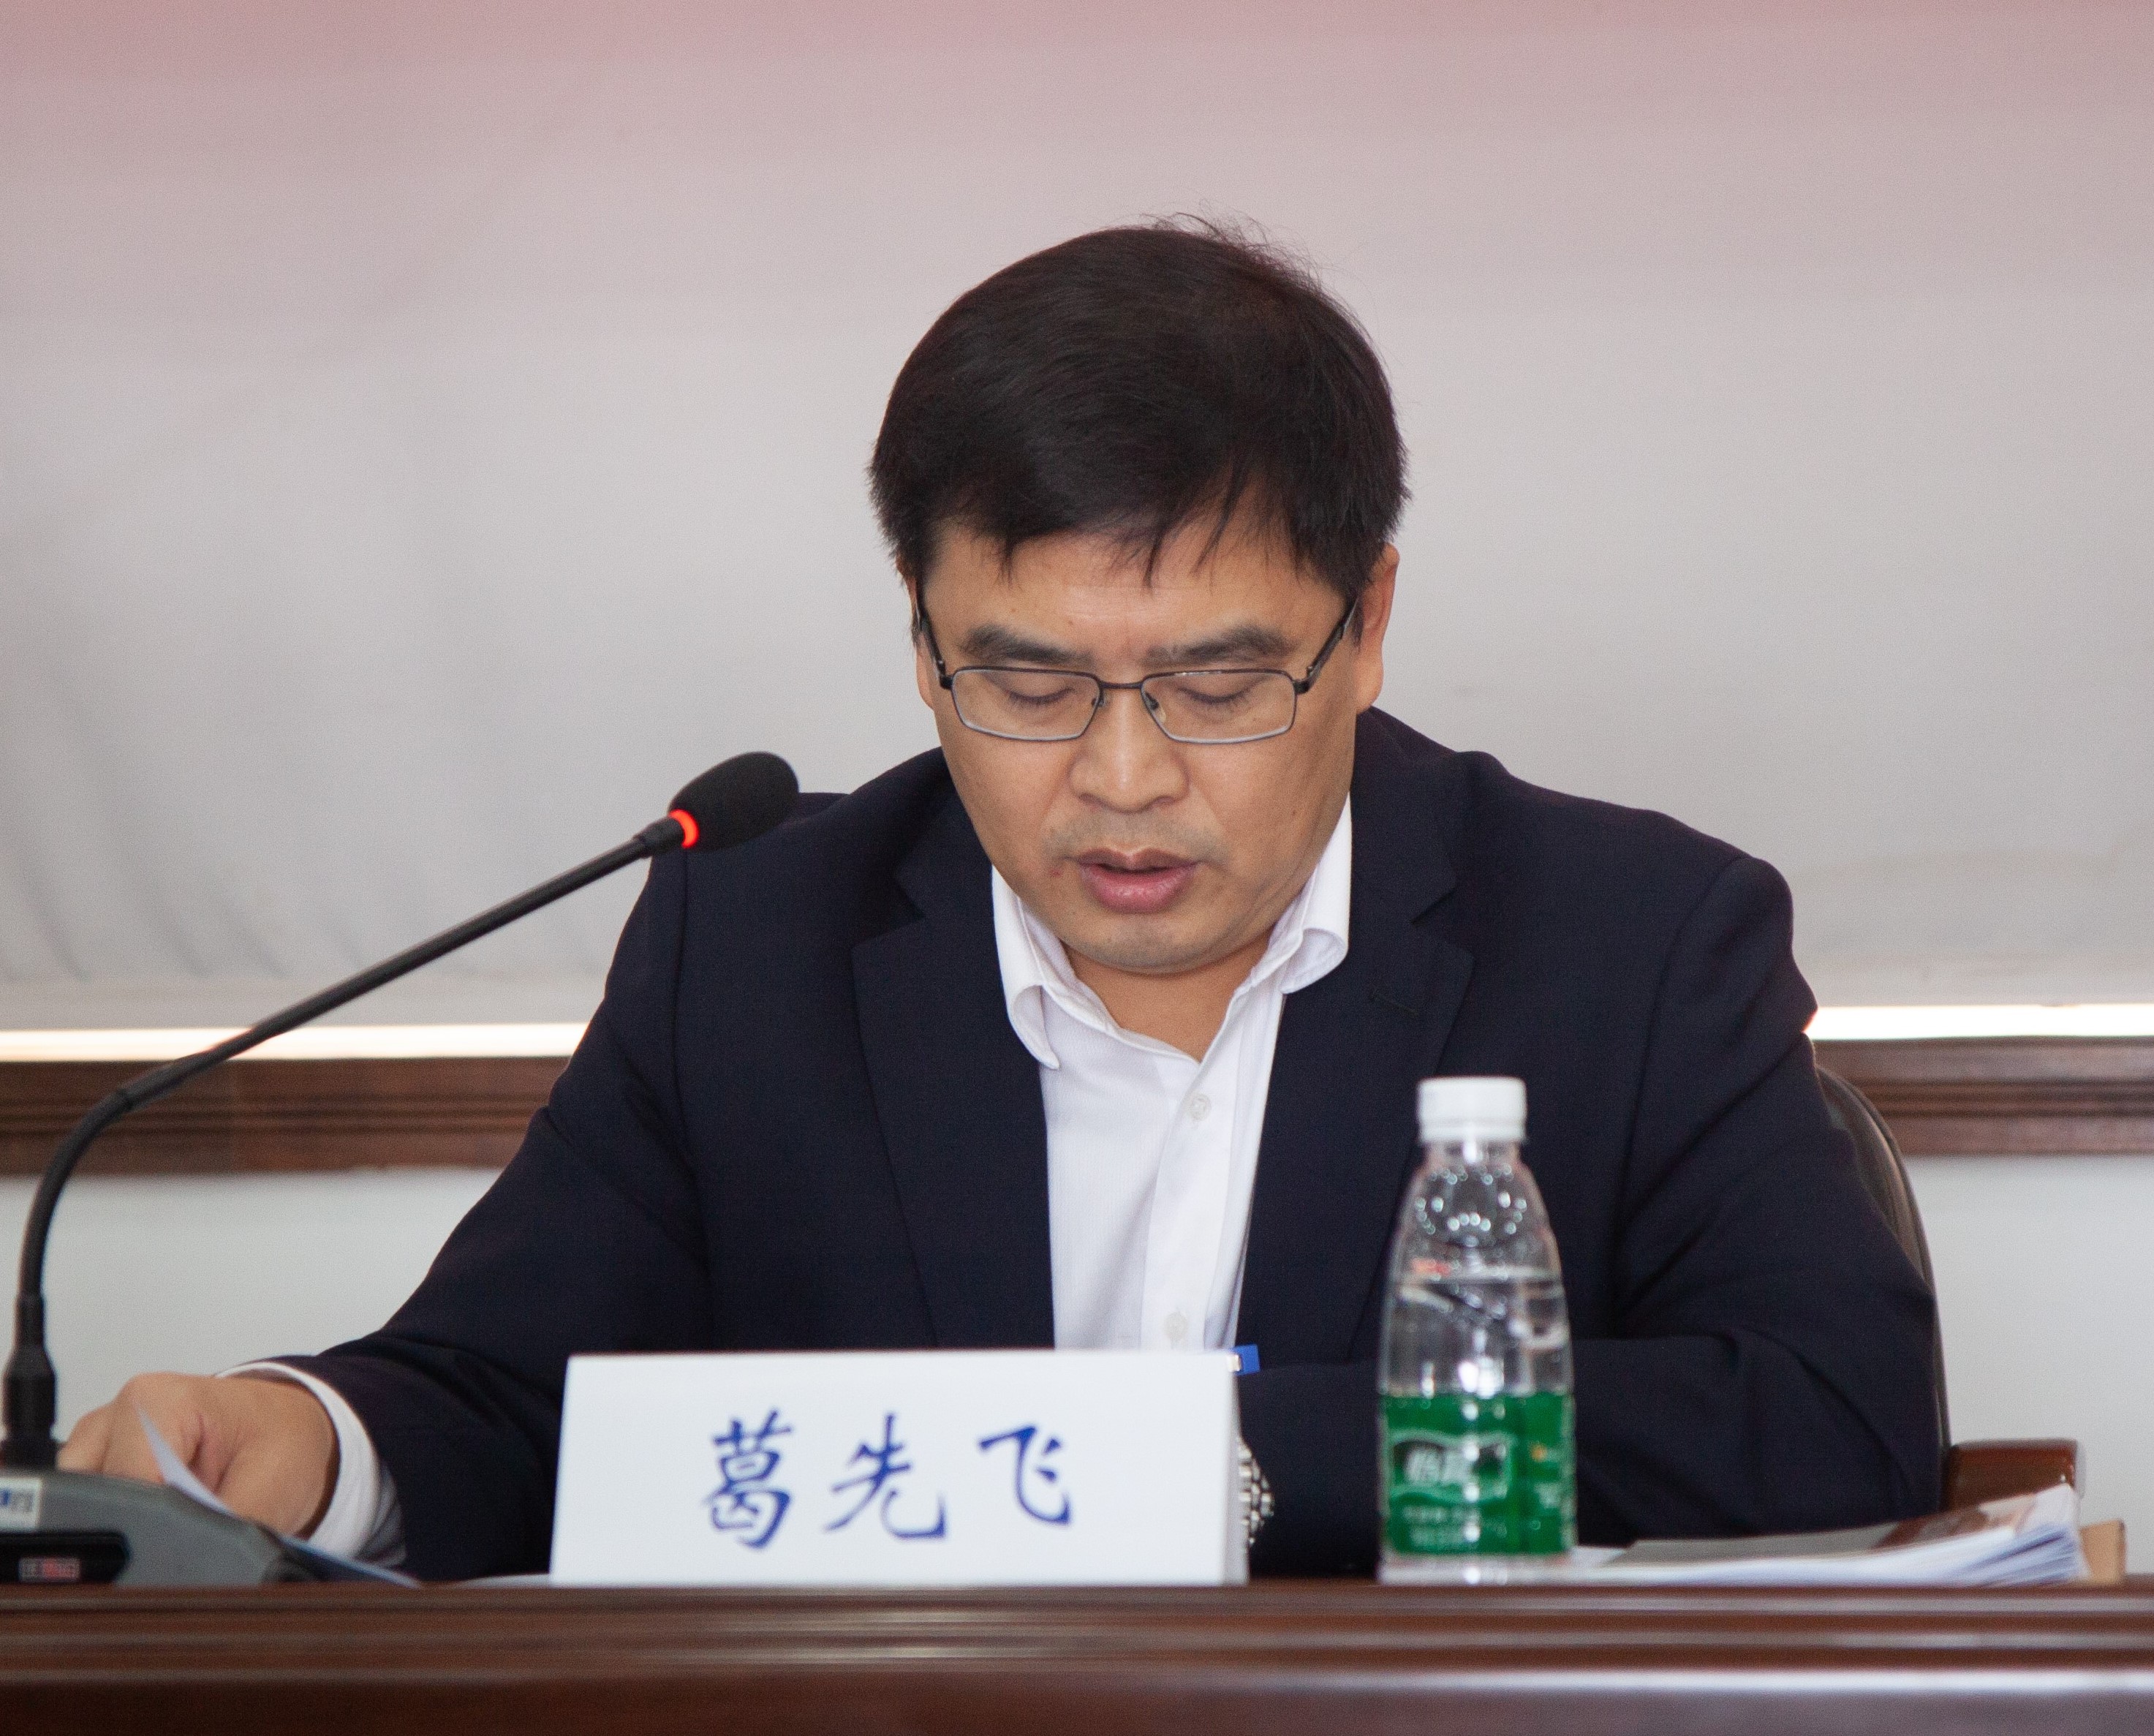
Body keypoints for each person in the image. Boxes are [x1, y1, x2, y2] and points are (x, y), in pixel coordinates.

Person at [61, 221, 1942, 1579]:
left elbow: (1831, 1413)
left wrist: (1189, 1460)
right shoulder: (758, 946)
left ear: (1366, 623)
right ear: (921, 639)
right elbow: (514, 1396)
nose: (1121, 777)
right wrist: (305, 1440)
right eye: (1026, 683)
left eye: (1217, 683)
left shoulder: (1633, 941)